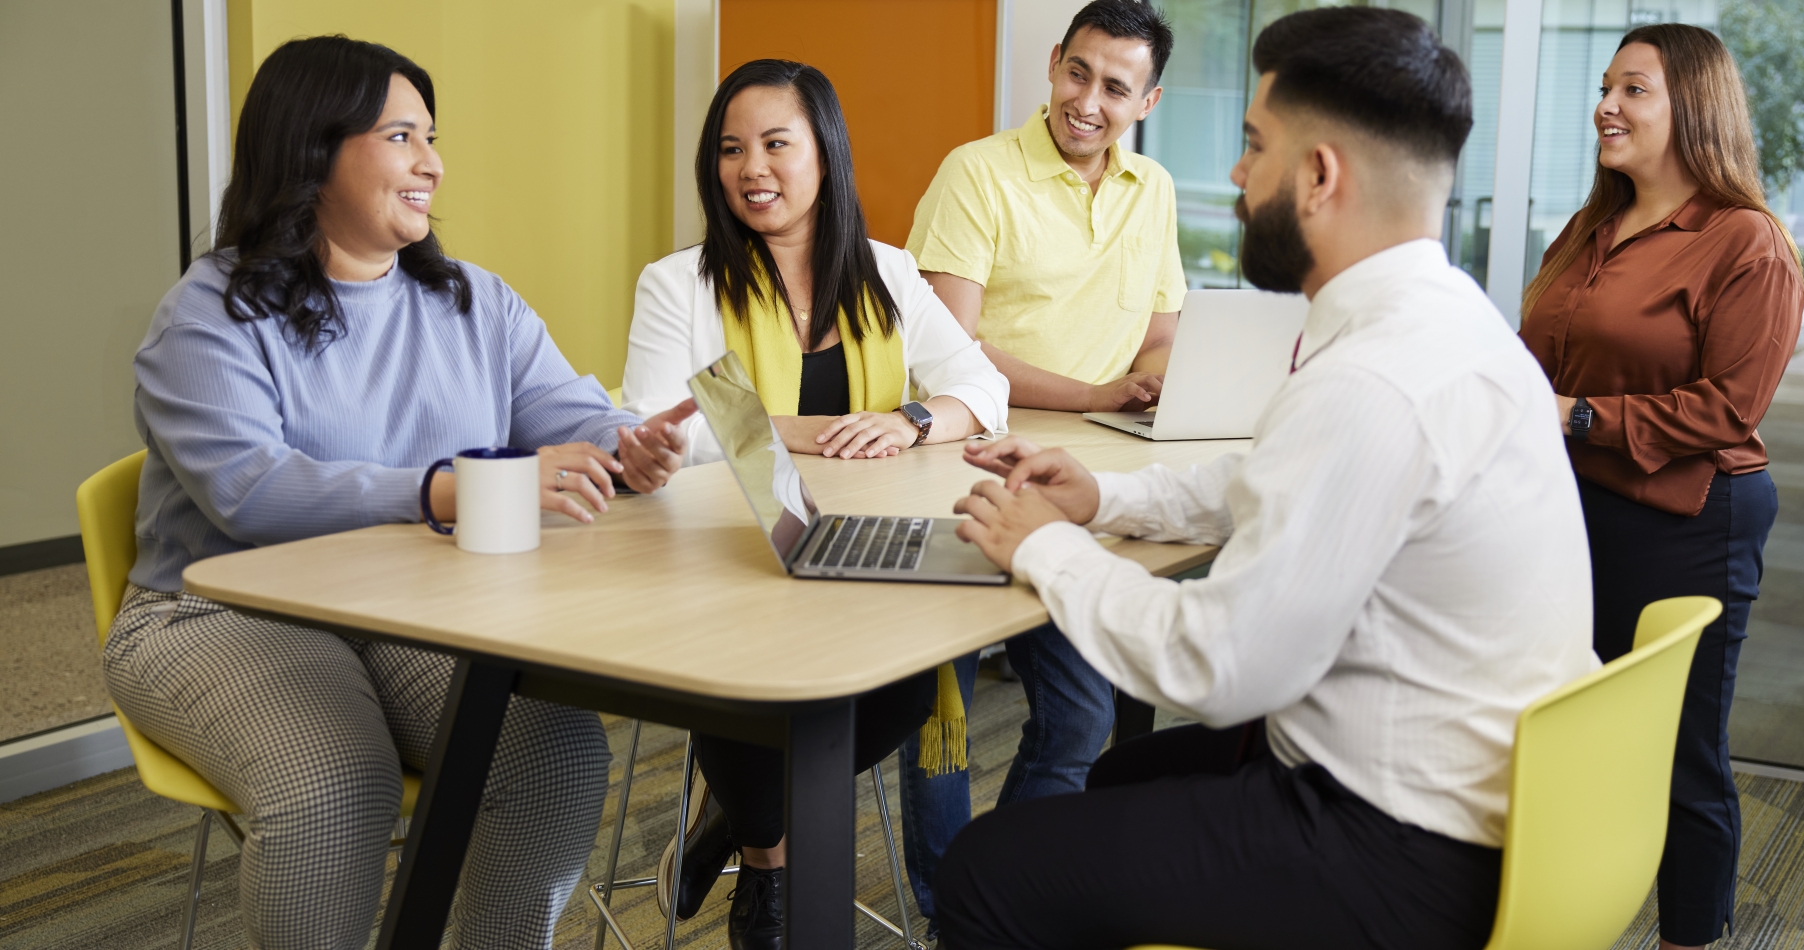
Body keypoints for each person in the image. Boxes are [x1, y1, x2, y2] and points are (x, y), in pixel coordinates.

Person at [930, 8, 1601, 948]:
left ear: (1320, 176)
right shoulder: (1452, 326)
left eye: (1253, 146)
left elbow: (1215, 665)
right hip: (1489, 797)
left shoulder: (1371, 383)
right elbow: (1281, 475)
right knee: (1121, 778)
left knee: (986, 871)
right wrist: (1103, 498)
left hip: (1397, 847)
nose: (1238, 176)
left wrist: (1045, 546)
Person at [103, 36, 695, 950]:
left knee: (553, 760)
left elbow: (568, 413)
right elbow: (250, 492)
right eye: (402, 136)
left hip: (410, 608)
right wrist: (454, 488)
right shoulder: (209, 312)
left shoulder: (473, 301)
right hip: (215, 613)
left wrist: (629, 448)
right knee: (335, 780)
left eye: (432, 136)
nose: (434, 163)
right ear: (313, 150)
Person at [619, 59, 1009, 950]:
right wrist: (789, 429)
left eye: (774, 144)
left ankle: (747, 813)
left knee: (906, 681)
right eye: (729, 149)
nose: (750, 167)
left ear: (824, 155)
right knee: (749, 687)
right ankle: (770, 868)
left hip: (855, 554)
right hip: (727, 563)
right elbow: (649, 423)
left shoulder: (887, 273)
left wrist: (908, 419)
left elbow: (981, 384)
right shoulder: (679, 283)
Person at [895, 0, 1184, 926]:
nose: (1087, 101)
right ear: (1054, 62)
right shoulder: (978, 173)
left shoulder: (1156, 189)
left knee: (1079, 719)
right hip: (969, 468)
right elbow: (955, 352)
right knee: (939, 713)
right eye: (1077, 73)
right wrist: (1100, 393)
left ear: (1147, 100)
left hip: (1085, 485)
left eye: (1114, 87)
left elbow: (1162, 331)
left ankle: (995, 893)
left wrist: (1160, 383)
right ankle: (950, 907)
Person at [1517, 24, 1803, 950]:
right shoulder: (1591, 226)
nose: (1605, 105)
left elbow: (1731, 406)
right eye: (1605, 87)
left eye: (1632, 89)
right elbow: (1537, 370)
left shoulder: (1745, 242)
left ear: (1695, 109)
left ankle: (1688, 935)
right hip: (1574, 508)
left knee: (1680, 752)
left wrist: (1580, 418)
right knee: (1559, 724)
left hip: (1690, 520)